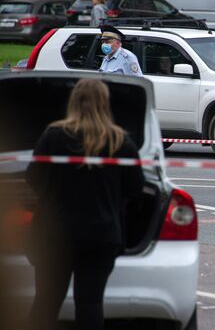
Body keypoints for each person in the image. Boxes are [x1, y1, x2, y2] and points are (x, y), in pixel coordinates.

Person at [26, 79, 144, 330]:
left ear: (73, 102)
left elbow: (33, 178)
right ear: (105, 103)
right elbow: (135, 188)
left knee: (45, 303)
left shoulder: (54, 135)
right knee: (90, 303)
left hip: (54, 233)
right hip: (102, 234)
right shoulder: (121, 141)